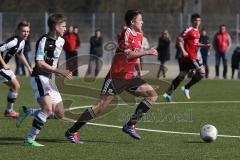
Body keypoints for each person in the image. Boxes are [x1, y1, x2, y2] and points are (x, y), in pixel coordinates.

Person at [65, 9, 158, 143]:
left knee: (152, 94)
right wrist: (147, 51)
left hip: (129, 77)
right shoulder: (126, 33)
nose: (142, 21)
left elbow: (135, 56)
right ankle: (71, 131)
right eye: (140, 19)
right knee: (99, 107)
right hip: (115, 78)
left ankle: (130, 125)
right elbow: (128, 54)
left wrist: (138, 71)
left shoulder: (139, 36)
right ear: (132, 22)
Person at [17, 14, 72, 146]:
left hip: (50, 78)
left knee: (59, 114)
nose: (66, 28)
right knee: (47, 108)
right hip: (39, 77)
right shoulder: (44, 40)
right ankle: (30, 139)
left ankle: (28, 111)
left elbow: (53, 61)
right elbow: (40, 63)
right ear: (55, 26)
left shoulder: (62, 41)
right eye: (63, 26)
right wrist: (59, 71)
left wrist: (56, 72)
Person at [163, 13, 211, 102]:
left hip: (188, 57)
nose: (197, 22)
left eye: (199, 20)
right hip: (190, 57)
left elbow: (195, 44)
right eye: (195, 20)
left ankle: (168, 94)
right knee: (202, 73)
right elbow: (179, 39)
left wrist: (204, 45)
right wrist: (183, 51)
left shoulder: (197, 32)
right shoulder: (189, 30)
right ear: (192, 21)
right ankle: (186, 88)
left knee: (181, 76)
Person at [0, 20, 32, 118]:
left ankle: (9, 111)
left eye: (27, 31)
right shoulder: (14, 41)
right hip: (1, 67)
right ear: (18, 31)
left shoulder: (22, 42)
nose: (26, 33)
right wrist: (4, 65)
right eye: (23, 31)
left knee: (15, 86)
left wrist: (29, 68)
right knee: (15, 86)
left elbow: (20, 54)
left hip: (2, 67)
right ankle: (9, 111)